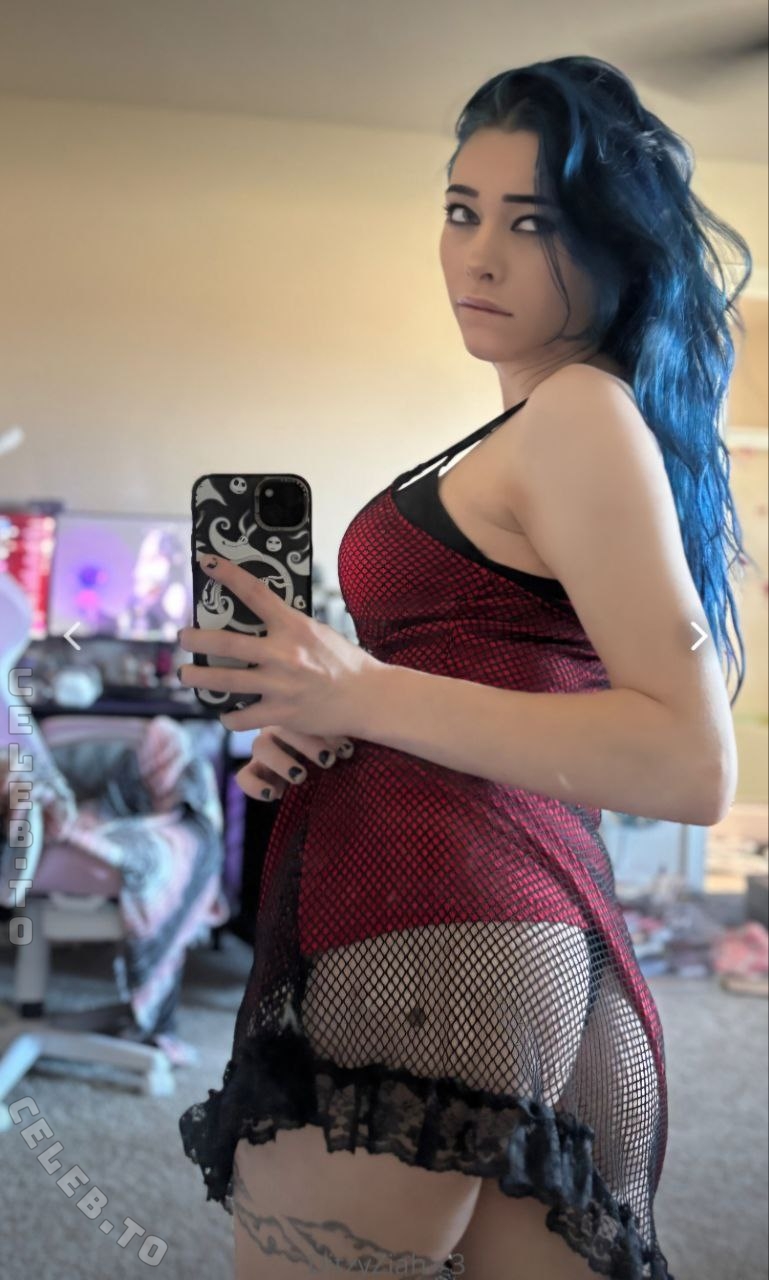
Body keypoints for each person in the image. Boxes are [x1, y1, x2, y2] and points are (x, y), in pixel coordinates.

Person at [179, 55, 751, 1279]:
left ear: (615, 249)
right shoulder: (555, 423)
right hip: (516, 929)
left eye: (530, 222)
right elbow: (523, 681)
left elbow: (690, 761)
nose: (477, 256)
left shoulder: (578, 413)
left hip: (439, 928)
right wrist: (338, 713)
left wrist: (361, 690)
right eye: (460, 210)